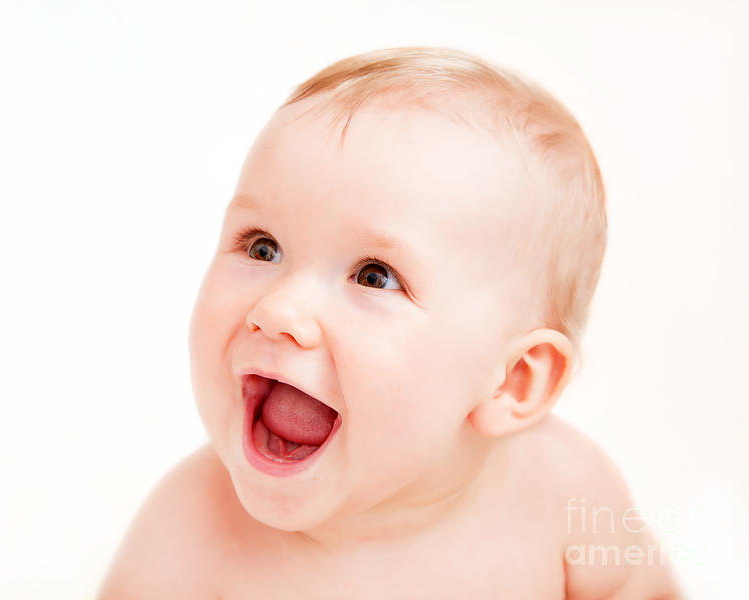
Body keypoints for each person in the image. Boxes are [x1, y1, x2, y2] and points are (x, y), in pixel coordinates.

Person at [98, 47, 681, 598]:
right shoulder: (190, 531)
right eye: (262, 247)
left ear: (513, 381)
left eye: (374, 276)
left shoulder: (565, 493)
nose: (276, 311)